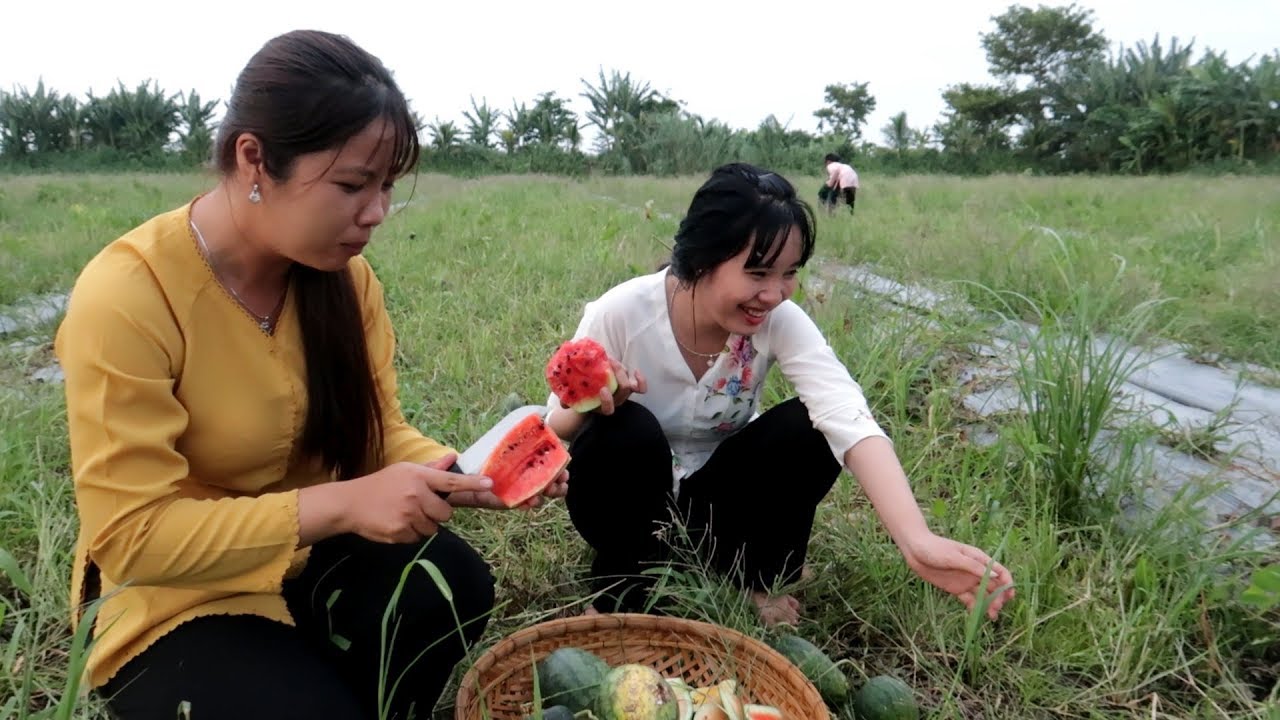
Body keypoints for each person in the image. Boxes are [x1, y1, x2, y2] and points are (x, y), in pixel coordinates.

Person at [54, 29, 565, 720]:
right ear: (254, 159)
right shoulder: (130, 296)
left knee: (452, 582)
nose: (377, 212)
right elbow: (134, 537)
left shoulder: (344, 282)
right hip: (173, 593)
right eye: (352, 185)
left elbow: (378, 432)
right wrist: (345, 506)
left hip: (308, 554)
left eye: (386, 187)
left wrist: (469, 473)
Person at [545, 162, 1014, 626]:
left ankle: (749, 575)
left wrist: (916, 540)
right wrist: (603, 400)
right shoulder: (622, 311)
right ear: (703, 257)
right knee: (624, 427)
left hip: (716, 504)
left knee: (811, 428)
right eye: (758, 272)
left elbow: (845, 414)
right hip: (630, 504)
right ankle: (624, 584)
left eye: (789, 273)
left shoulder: (777, 322)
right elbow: (555, 426)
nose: (774, 294)